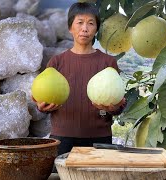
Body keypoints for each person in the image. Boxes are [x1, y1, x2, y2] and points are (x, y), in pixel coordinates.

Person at [32, 2, 126, 156]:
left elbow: (118, 99)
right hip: (62, 137)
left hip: (99, 138)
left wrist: (115, 108)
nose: (85, 28)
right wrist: (41, 106)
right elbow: (44, 96)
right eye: (80, 23)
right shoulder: (56, 62)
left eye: (91, 23)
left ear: (96, 29)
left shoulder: (108, 63)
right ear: (70, 27)